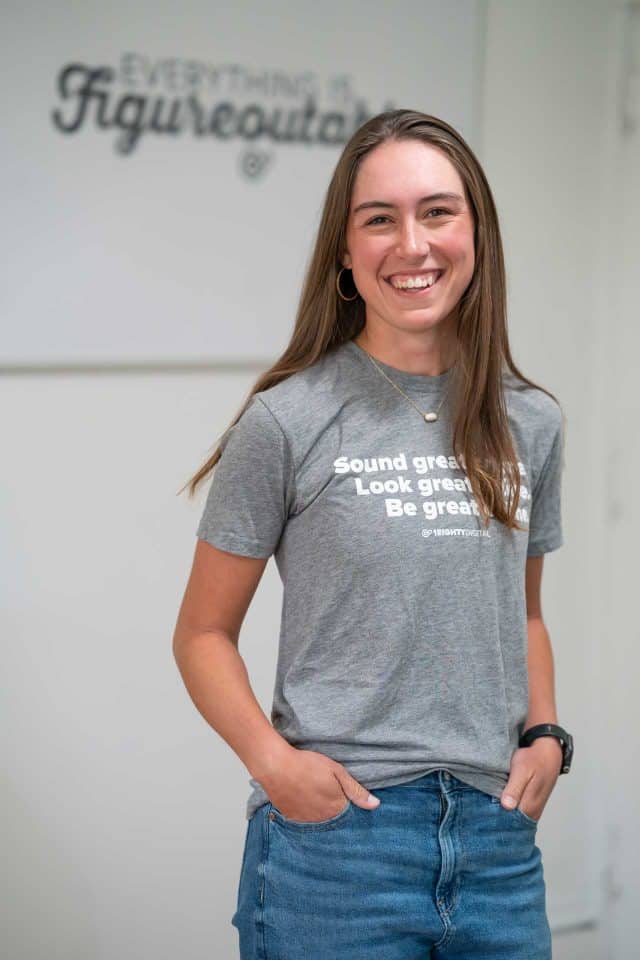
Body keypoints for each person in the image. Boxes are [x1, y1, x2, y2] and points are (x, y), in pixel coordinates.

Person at [172, 109, 573, 960]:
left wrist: (545, 734)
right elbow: (202, 634)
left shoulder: (530, 421)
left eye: (437, 212)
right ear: (346, 253)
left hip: (498, 845)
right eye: (379, 219)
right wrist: (276, 768)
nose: (412, 244)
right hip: (340, 849)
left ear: (476, 234)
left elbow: (524, 614)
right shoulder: (288, 421)